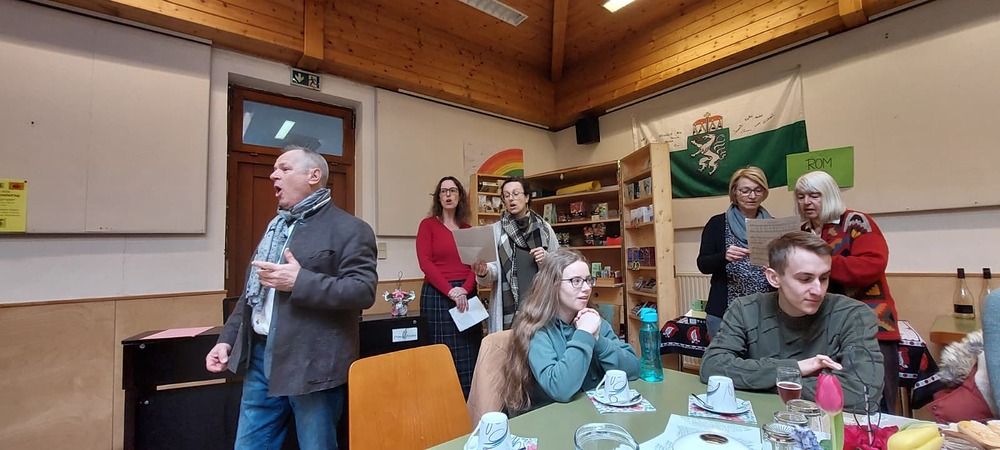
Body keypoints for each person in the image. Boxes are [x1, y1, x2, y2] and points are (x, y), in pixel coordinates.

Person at [205, 145, 377, 450]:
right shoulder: (276, 228)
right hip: (259, 357)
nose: (274, 175)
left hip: (312, 363)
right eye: (274, 169)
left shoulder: (351, 229)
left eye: (284, 169)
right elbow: (253, 294)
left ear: (314, 176)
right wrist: (227, 339)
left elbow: (363, 290)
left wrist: (301, 281)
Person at [700, 231, 884, 414]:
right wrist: (798, 367)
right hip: (764, 416)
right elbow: (712, 367)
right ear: (774, 278)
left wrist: (772, 381)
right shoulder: (744, 309)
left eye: (824, 278)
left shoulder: (854, 314)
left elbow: (863, 394)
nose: (818, 290)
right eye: (805, 279)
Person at [794, 170, 901, 414]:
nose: (806, 202)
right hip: (824, 329)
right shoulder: (802, 232)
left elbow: (872, 264)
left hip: (872, 324)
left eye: (814, 196)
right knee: (829, 402)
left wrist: (820, 264)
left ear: (829, 195)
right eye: (800, 197)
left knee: (876, 402)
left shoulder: (856, 222)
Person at [500, 249, 639, 413]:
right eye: (576, 281)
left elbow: (633, 370)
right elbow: (560, 389)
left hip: (591, 413)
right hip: (551, 418)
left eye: (588, 280)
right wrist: (585, 335)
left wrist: (598, 340)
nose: (586, 288)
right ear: (553, 285)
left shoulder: (592, 320)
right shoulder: (536, 329)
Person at [416, 176, 482, 399]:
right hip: (438, 295)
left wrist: (465, 288)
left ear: (460, 196)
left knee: (469, 353)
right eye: (443, 191)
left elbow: (476, 265)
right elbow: (425, 263)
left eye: (452, 190)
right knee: (441, 354)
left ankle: (471, 406)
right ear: (438, 197)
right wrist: (451, 291)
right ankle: (443, 406)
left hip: (466, 294)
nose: (448, 195)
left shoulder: (468, 229)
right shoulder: (427, 225)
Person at [472, 176, 559, 333]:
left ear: (527, 197)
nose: (511, 198)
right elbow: (494, 270)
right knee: (507, 347)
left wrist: (547, 258)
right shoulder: (496, 230)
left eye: (516, 193)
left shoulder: (544, 228)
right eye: (506, 195)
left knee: (540, 345)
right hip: (508, 308)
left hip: (539, 304)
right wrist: (484, 272)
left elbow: (560, 265)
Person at [697, 166, 776, 338]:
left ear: (764, 192)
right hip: (725, 311)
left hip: (765, 310)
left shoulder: (772, 224)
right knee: (724, 354)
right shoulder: (718, 223)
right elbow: (702, 264)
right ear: (734, 192)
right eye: (745, 191)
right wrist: (724, 256)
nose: (752, 196)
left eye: (758, 190)